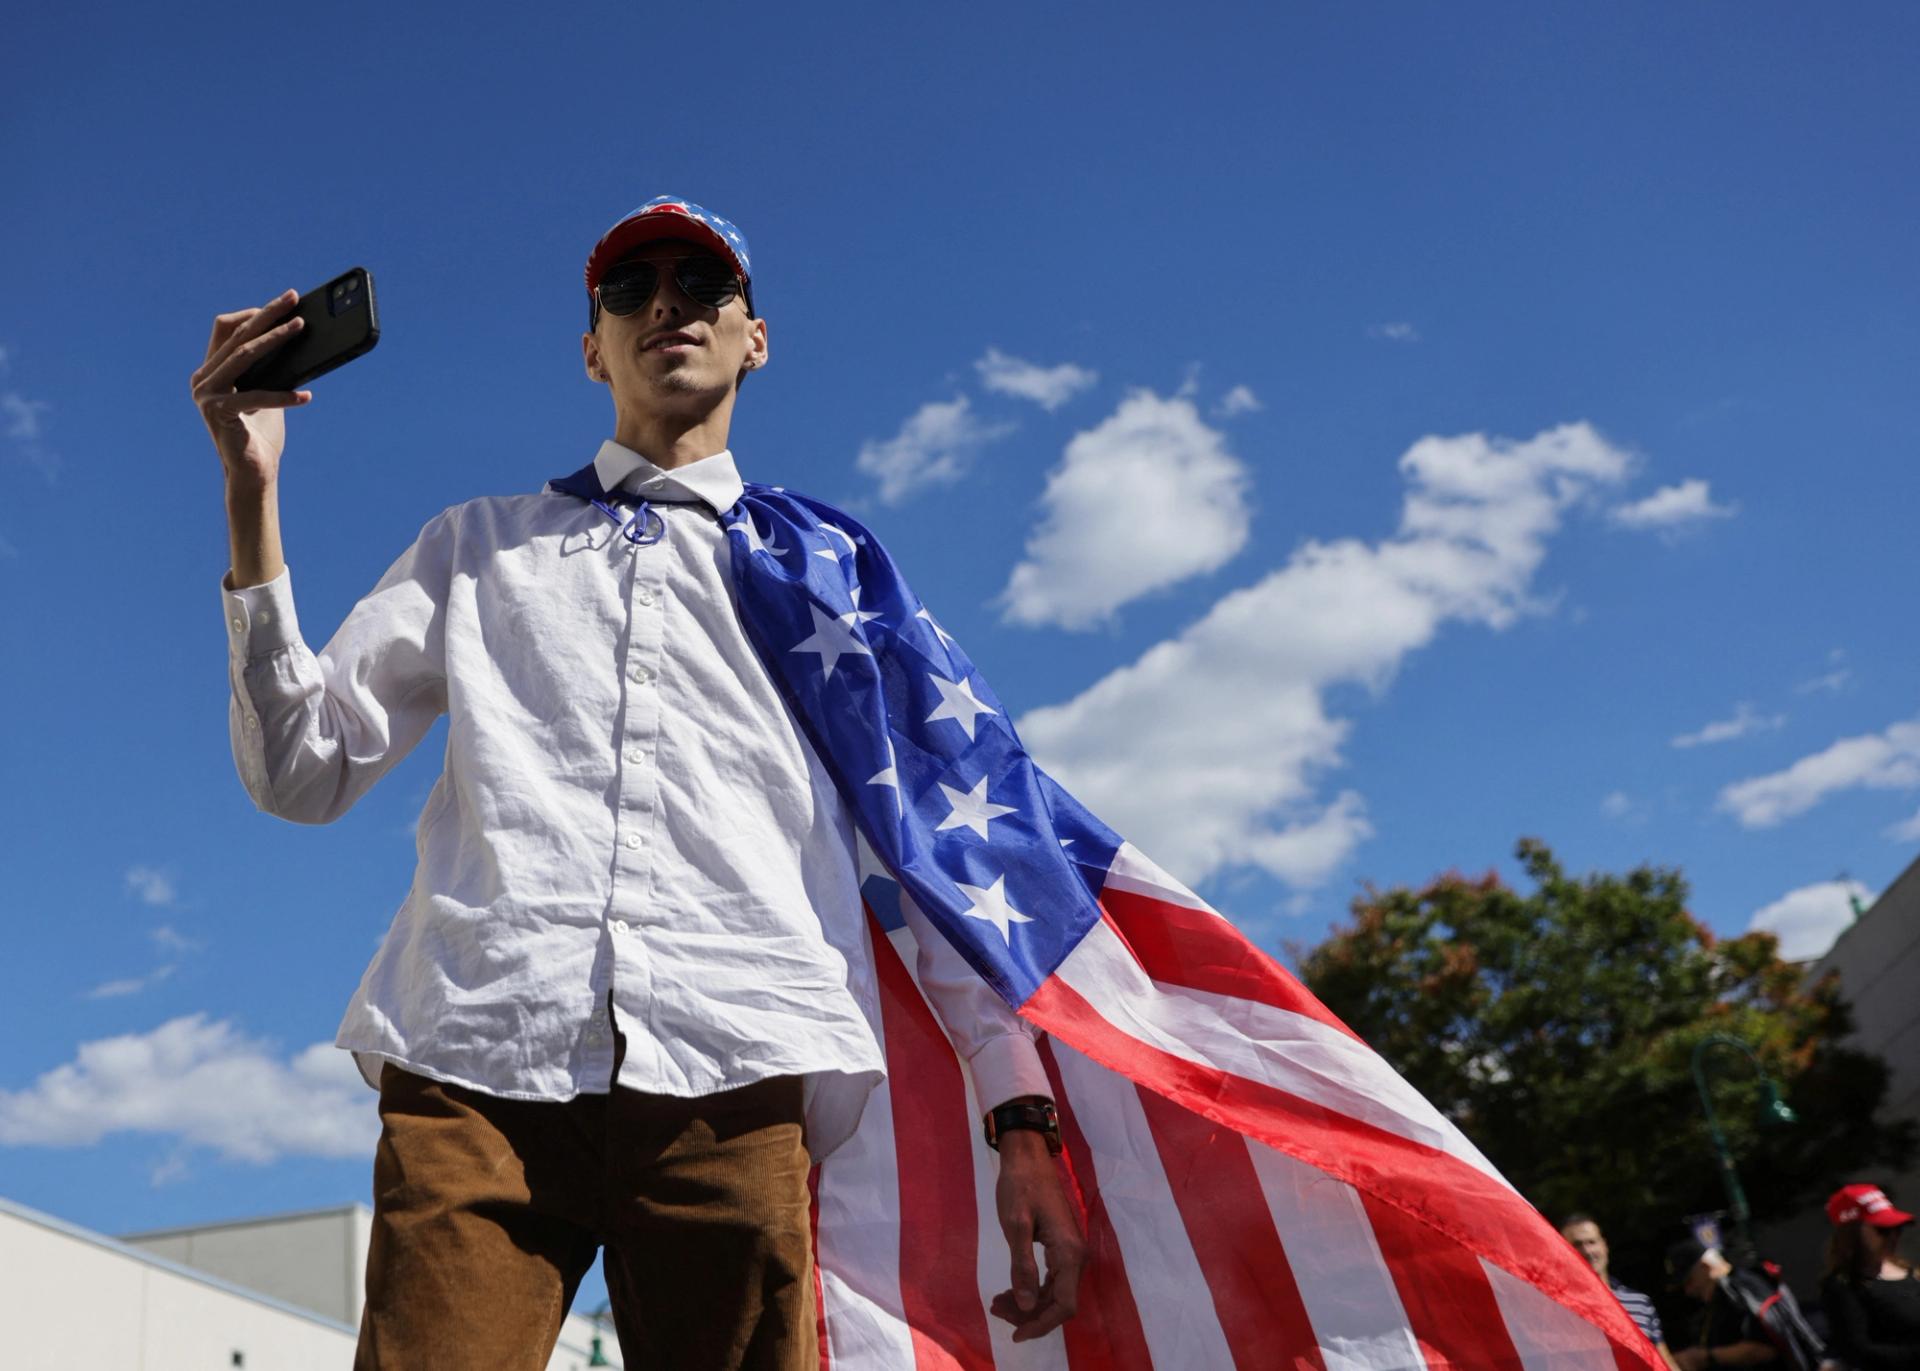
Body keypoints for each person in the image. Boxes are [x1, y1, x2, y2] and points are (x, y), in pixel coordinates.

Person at [191, 197, 1085, 1370]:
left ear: (754, 338)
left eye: (703, 283)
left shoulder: (829, 577)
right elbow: (302, 773)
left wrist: (1019, 1115)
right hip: (478, 1067)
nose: (667, 302)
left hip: (738, 1066)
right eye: (629, 288)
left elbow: (931, 856)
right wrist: (251, 490)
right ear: (591, 346)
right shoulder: (474, 545)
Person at [1667, 1236, 1827, 1371]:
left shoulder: (1739, 1289)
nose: (1688, 1291)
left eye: (1689, 1281)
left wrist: (1704, 1357)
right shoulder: (1722, 1296)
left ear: (1705, 1266)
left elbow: (1763, 1348)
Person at [1562, 1212, 1682, 1368]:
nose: (1587, 1251)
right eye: (1577, 1245)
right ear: (1564, 1252)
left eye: (1592, 1242)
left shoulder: (1640, 1303)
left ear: (1604, 1246)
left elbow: (1663, 1360)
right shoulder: (1559, 1308)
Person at [1820, 1184, 1920, 1370]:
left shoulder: (1908, 1272)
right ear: (1853, 1233)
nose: (1893, 1237)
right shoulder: (1843, 1286)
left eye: (1897, 1229)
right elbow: (1858, 1351)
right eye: (1883, 1230)